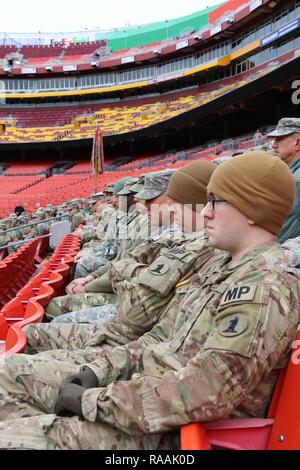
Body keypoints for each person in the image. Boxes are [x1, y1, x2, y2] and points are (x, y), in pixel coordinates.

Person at [0, 151, 298, 450]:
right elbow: (157, 339)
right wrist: (99, 371)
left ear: (252, 209)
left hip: (173, 432)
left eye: (216, 202)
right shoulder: (222, 266)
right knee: (8, 378)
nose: (205, 212)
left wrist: (95, 402)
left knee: (10, 436)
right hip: (142, 400)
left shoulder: (265, 287)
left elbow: (205, 391)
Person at [24, 159, 216, 349]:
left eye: (147, 199)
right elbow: (122, 259)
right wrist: (94, 278)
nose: (138, 202)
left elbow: (135, 302)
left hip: (136, 321)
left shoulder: (183, 238)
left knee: (49, 323)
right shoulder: (164, 229)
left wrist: (95, 283)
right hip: (136, 314)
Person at [267, 117, 300, 243]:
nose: (274, 145)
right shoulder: (292, 174)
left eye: (279, 139)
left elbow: (286, 229)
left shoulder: (296, 181)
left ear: (297, 143)